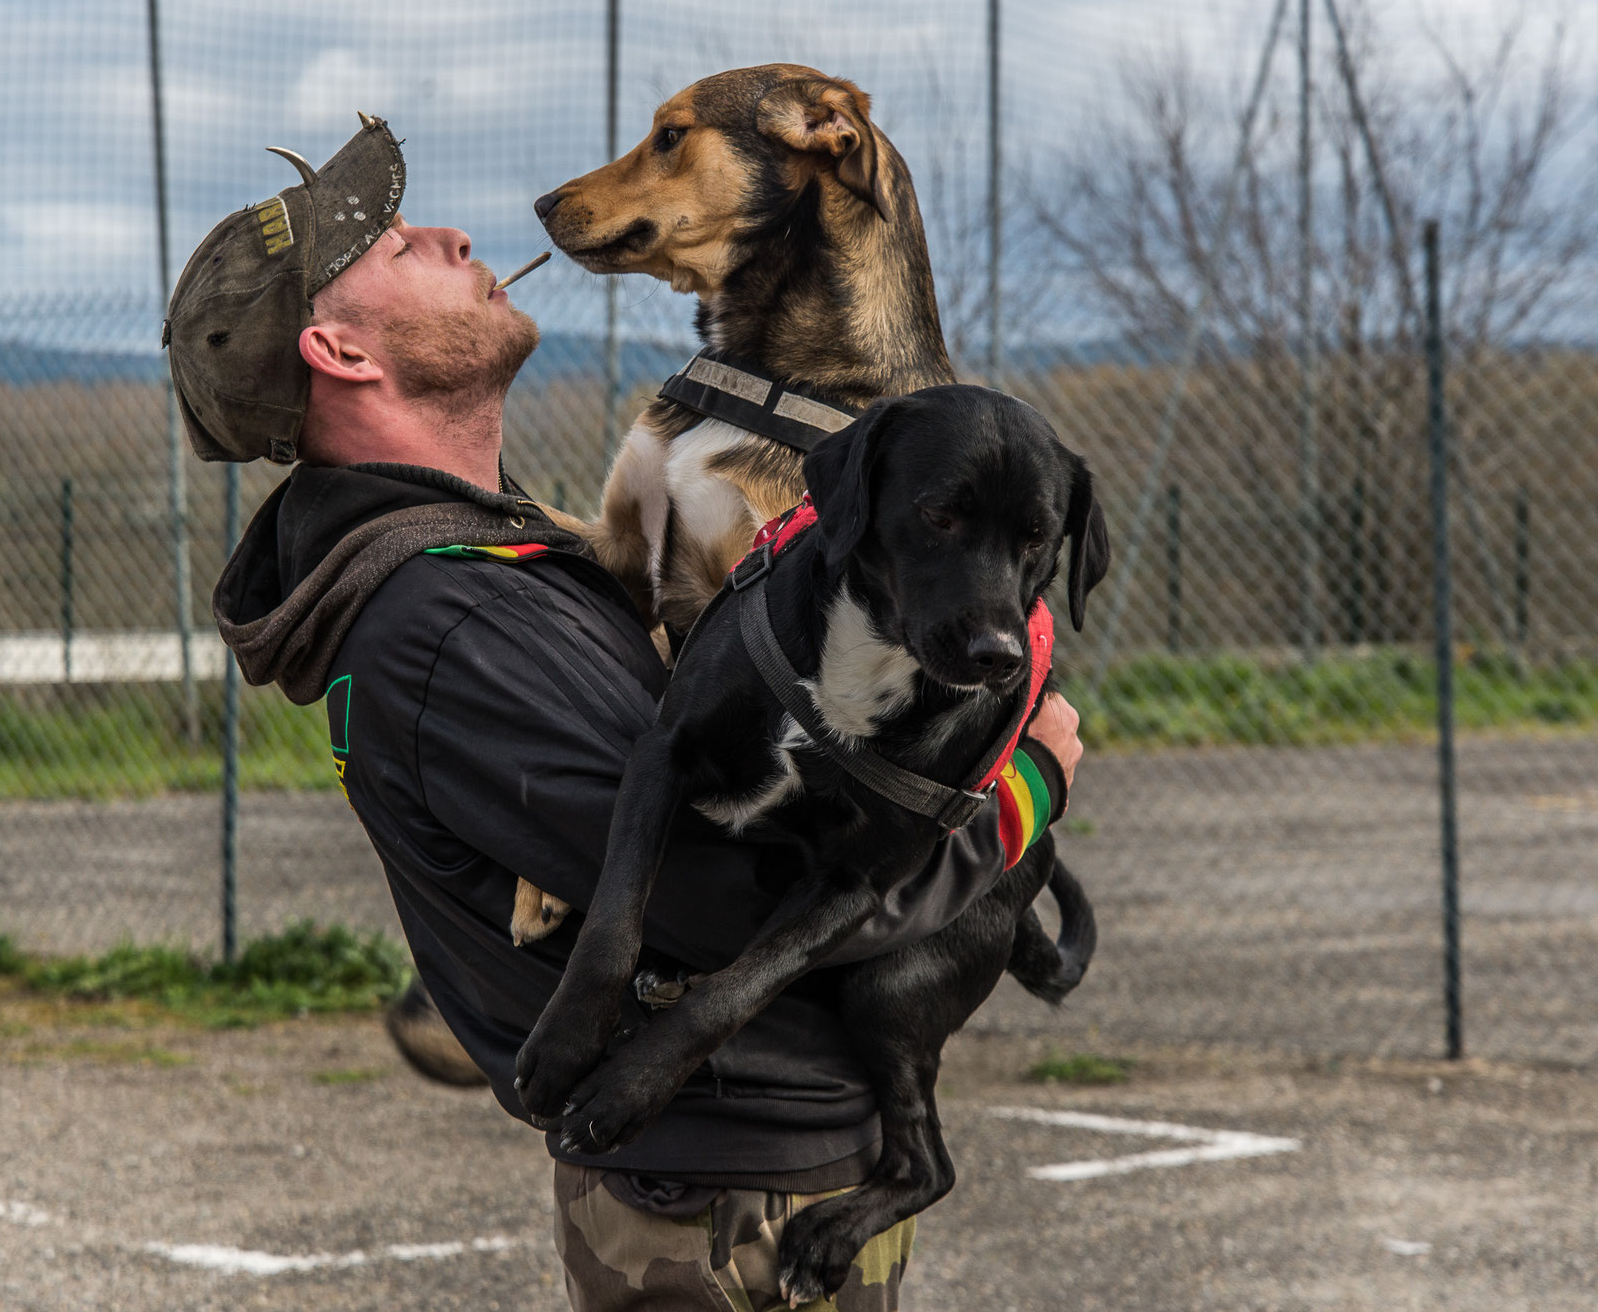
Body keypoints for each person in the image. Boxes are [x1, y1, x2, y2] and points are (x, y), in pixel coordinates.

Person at [167, 118, 1087, 1312]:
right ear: (338, 348)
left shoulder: (498, 560)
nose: (450, 233)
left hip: (748, 1171)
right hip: (725, 1203)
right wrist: (1020, 796)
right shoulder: (450, 624)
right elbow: (719, 897)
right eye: (397, 245)